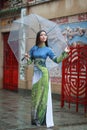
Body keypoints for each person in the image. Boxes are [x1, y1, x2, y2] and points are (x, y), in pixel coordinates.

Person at [25, 30, 70, 128]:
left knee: (43, 97)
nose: (44, 36)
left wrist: (64, 53)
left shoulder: (48, 49)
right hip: (36, 75)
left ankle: (42, 120)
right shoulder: (34, 49)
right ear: (38, 37)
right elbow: (29, 63)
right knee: (35, 97)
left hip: (44, 74)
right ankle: (35, 118)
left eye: (45, 35)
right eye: (41, 35)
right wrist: (27, 58)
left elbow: (56, 60)